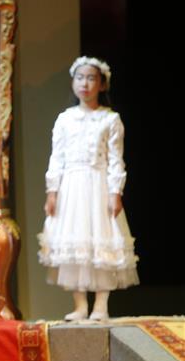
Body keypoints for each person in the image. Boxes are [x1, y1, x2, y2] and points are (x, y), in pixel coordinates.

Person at [38, 56, 138, 321]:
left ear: (102, 84)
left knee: (101, 240)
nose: (85, 83)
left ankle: (101, 305)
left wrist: (116, 192)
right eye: (80, 78)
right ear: (73, 82)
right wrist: (52, 192)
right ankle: (80, 304)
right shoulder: (65, 119)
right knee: (75, 241)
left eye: (91, 78)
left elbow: (116, 159)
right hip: (71, 187)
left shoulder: (110, 119)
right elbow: (57, 158)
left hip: (98, 185)